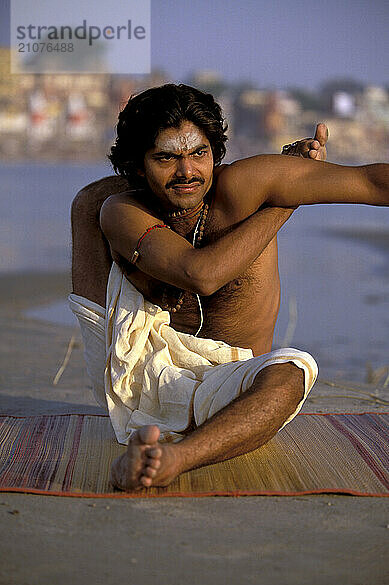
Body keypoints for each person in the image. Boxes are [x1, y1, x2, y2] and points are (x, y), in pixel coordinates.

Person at [70, 84, 388, 491]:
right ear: (137, 165)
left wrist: (286, 180)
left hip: (232, 384)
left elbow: (371, 183)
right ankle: (162, 447)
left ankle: (172, 459)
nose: (187, 172)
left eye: (199, 154)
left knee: (293, 370)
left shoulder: (246, 183)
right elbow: (201, 274)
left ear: (216, 154)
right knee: (90, 200)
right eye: (166, 158)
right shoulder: (122, 210)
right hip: (136, 380)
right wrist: (284, 201)